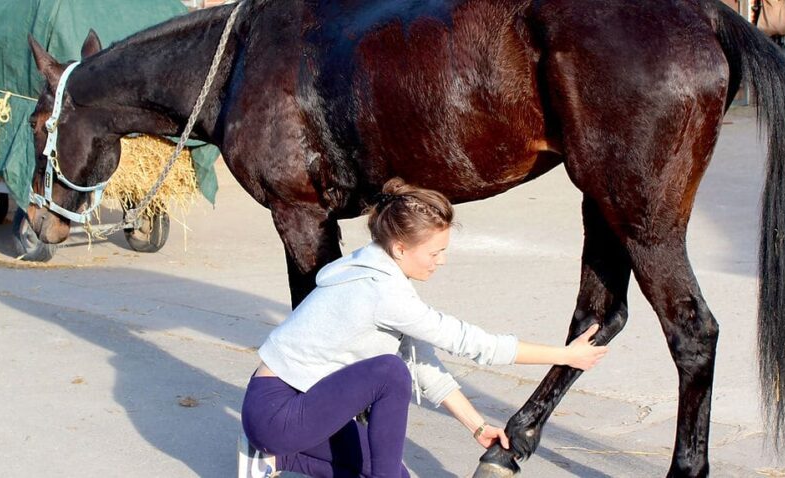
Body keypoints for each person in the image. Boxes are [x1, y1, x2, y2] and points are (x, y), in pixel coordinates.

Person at [241, 178, 608, 478]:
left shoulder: (376, 266)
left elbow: (423, 362)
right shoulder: (382, 292)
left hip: (292, 413)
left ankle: (273, 459)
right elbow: (471, 343)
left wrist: (478, 427)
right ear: (400, 248)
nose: (442, 261)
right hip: (279, 413)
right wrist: (565, 354)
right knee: (389, 373)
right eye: (434, 253)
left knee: (391, 469)